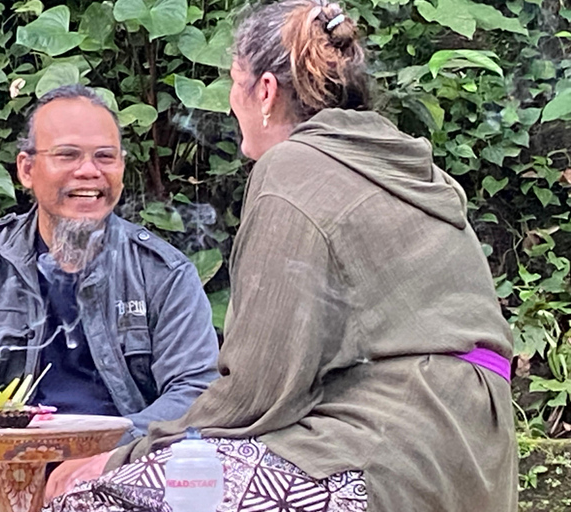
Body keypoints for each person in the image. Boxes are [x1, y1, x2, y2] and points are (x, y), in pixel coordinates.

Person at [45, 1, 518, 511]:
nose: (232, 103)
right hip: (477, 450)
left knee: (93, 498)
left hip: (383, 450)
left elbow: (257, 390)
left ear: (265, 91)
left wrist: (121, 459)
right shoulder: (397, 160)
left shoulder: (294, 167)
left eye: (235, 83)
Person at [0, 85, 219, 502]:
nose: (89, 171)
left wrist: (110, 456)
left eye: (105, 157)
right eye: (67, 155)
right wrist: (0, 464)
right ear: (27, 169)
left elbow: (196, 391)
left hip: (122, 472)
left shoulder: (162, 272)